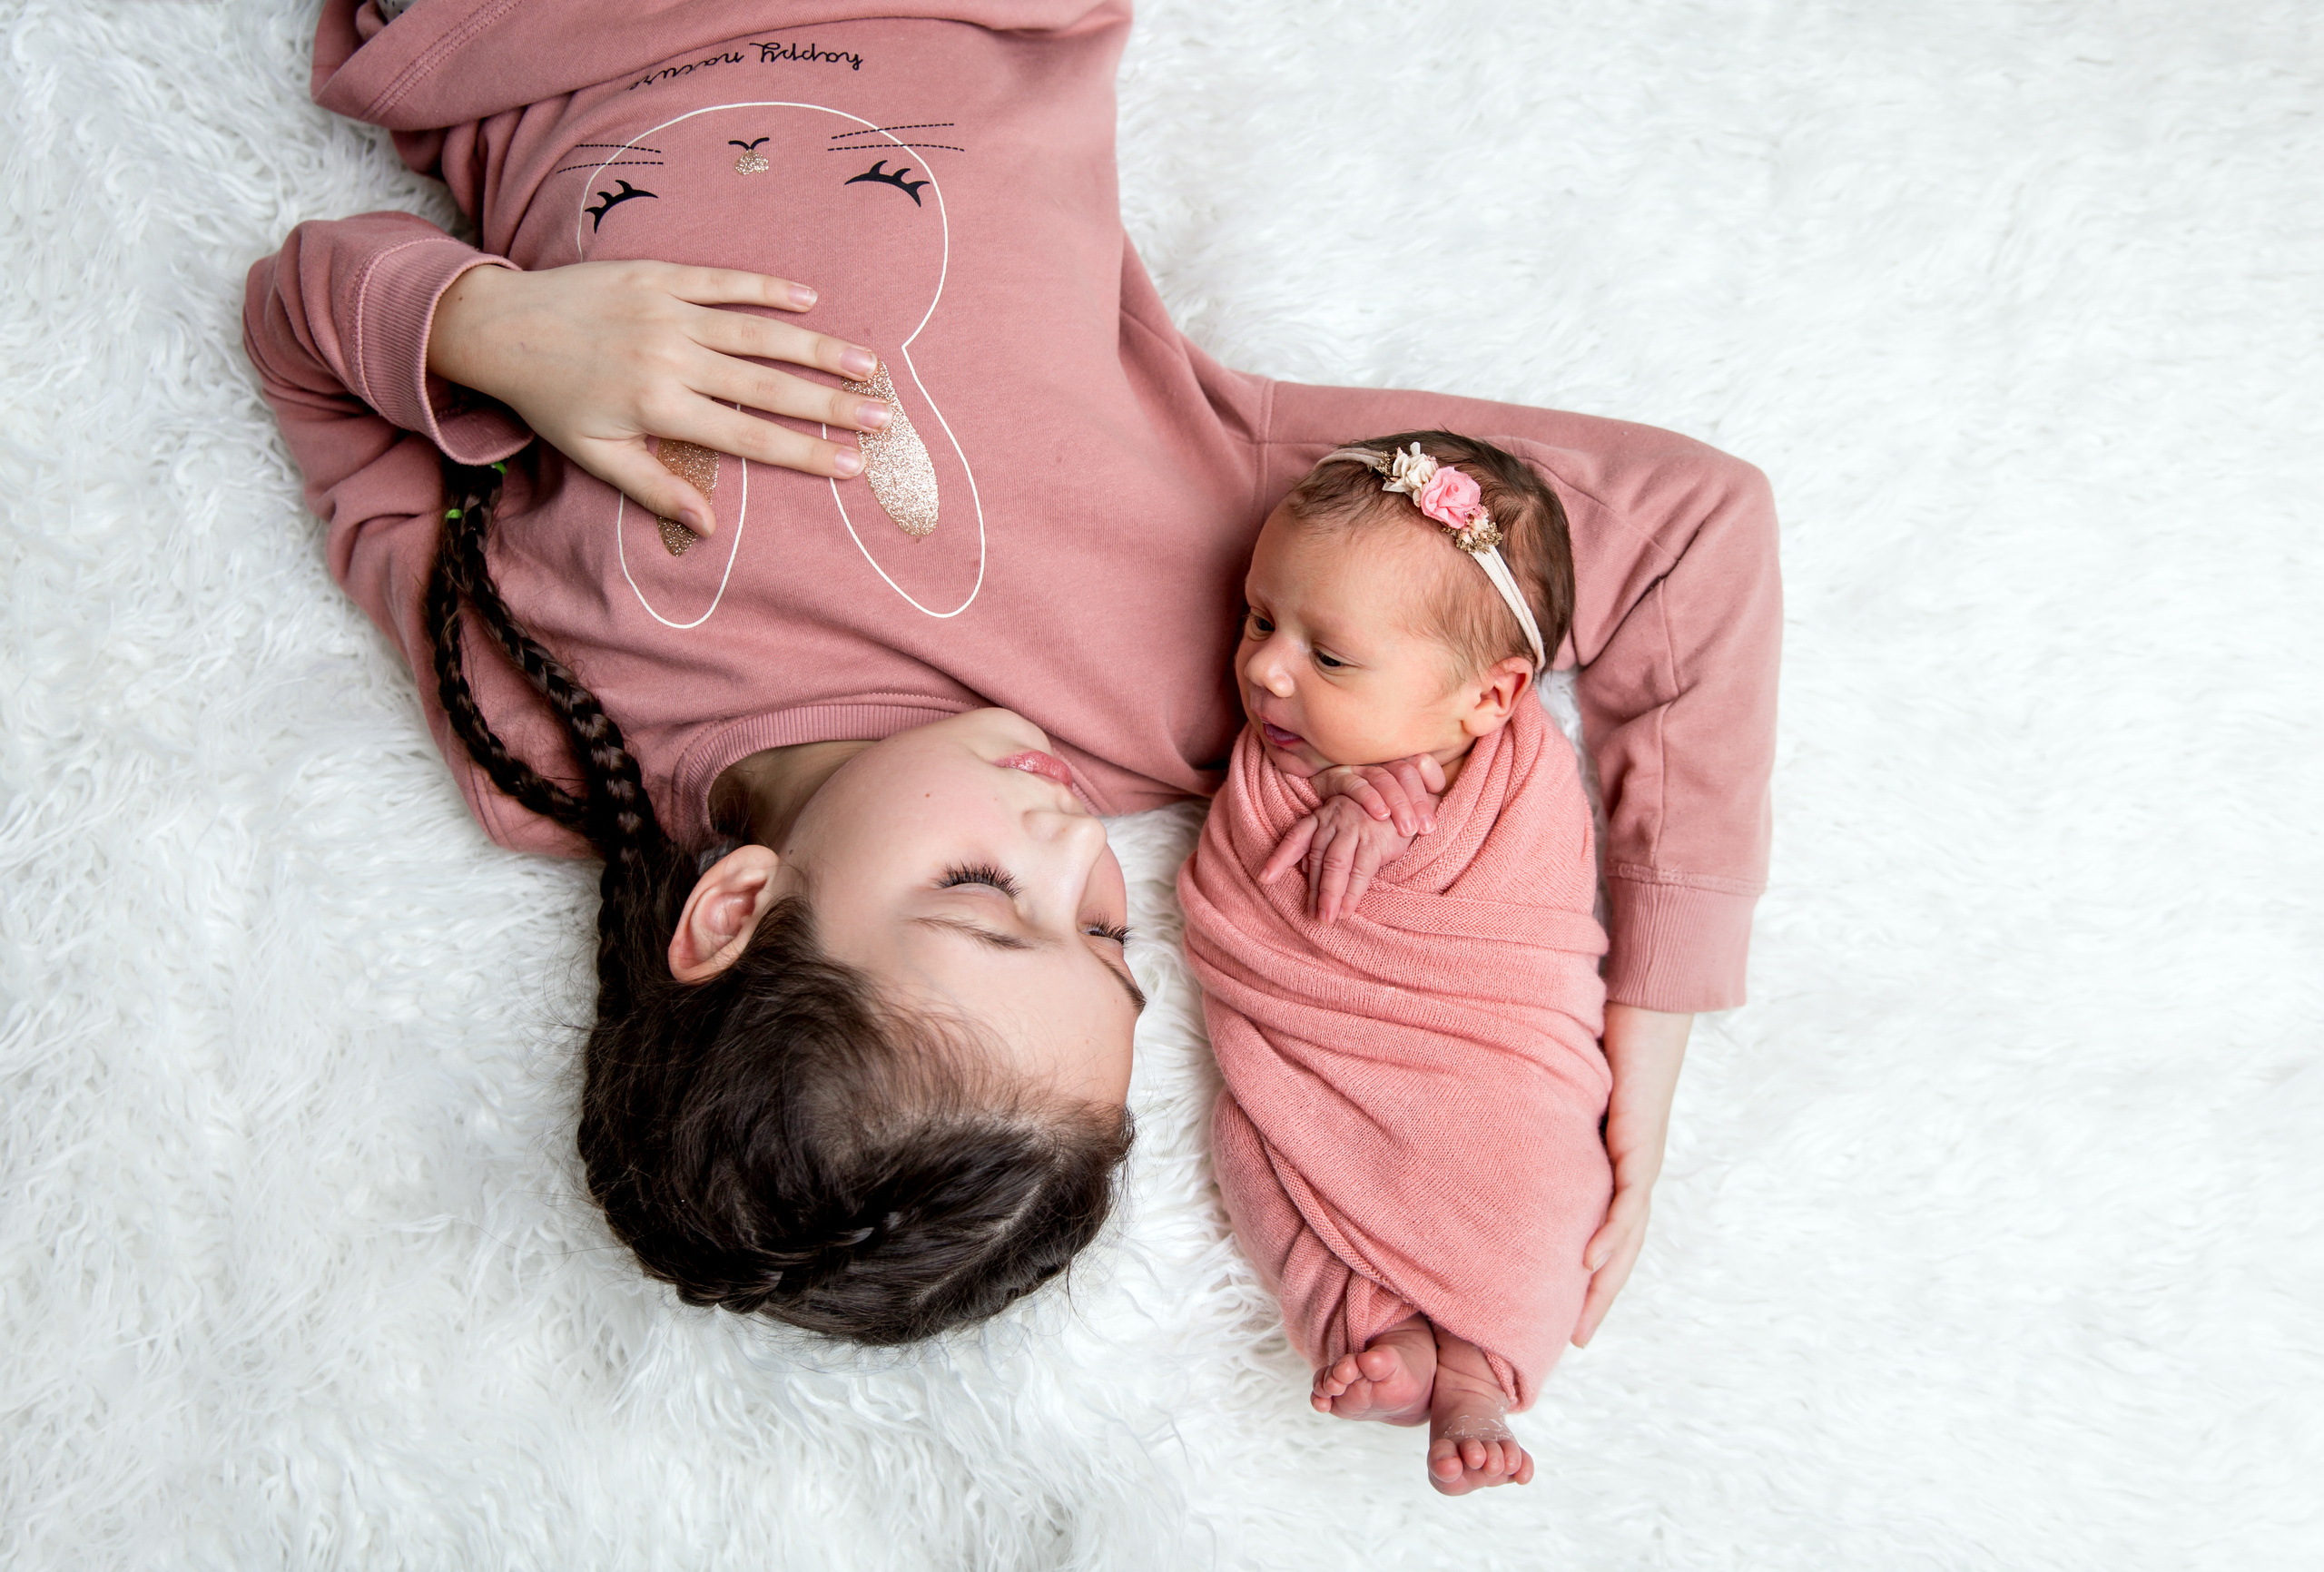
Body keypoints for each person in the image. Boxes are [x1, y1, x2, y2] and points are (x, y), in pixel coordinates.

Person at [244, 0, 1779, 1349]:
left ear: (734, 909)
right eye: (1110, 927)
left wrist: (495, 330)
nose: (1070, 844)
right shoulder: (1227, 661)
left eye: (988, 900)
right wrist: (1643, 1038)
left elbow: (303, 321)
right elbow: (1689, 537)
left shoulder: (532, 722)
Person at [1179, 433, 1612, 1495]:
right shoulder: (1277, 766)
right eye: (1257, 616)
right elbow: (1262, 890)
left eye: (1328, 658)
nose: (1266, 669)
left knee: (1537, 1184)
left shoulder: (1516, 773)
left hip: (1487, 1052)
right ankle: (1368, 1326)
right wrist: (1350, 796)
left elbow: (1518, 881)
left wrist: (1409, 810)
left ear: (1490, 701)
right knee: (1256, 1137)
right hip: (1320, 1047)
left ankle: (1477, 1369)